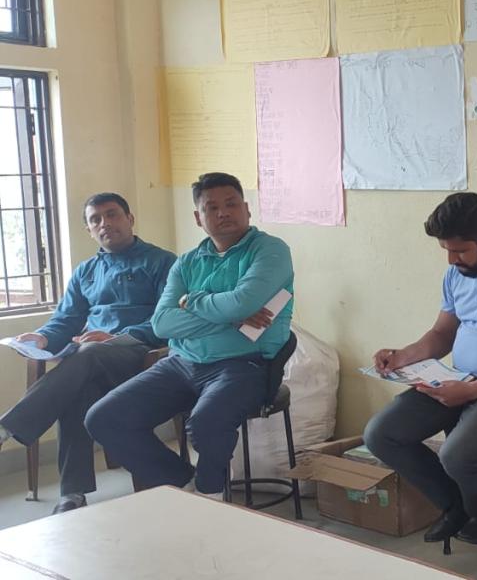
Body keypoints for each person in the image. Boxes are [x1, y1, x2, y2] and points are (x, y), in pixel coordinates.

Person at [87, 173, 294, 496]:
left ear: (247, 209)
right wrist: (230, 319)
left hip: (245, 365)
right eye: (212, 208)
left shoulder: (270, 251)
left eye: (231, 204)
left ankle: (211, 496)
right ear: (199, 218)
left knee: (207, 421)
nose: (223, 213)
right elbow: (162, 324)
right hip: (182, 362)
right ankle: (183, 483)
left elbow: (242, 303)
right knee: (103, 418)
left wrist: (192, 301)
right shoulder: (186, 263)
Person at [362, 192, 477, 544]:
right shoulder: (457, 273)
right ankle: (464, 505)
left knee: (457, 454)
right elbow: (442, 334)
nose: (451, 260)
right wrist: (402, 356)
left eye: (460, 251)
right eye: (446, 250)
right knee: (381, 434)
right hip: (458, 380)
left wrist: (472, 391)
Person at [0, 193, 175, 513]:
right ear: (89, 230)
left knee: (86, 354)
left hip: (140, 353)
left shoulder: (162, 262)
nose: (105, 223)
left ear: (130, 219)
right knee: (77, 389)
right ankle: (72, 494)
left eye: (112, 214)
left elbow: (168, 319)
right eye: (96, 219)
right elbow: (66, 319)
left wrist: (116, 337)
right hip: (91, 360)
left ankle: (9, 426)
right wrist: (42, 337)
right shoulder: (86, 271)